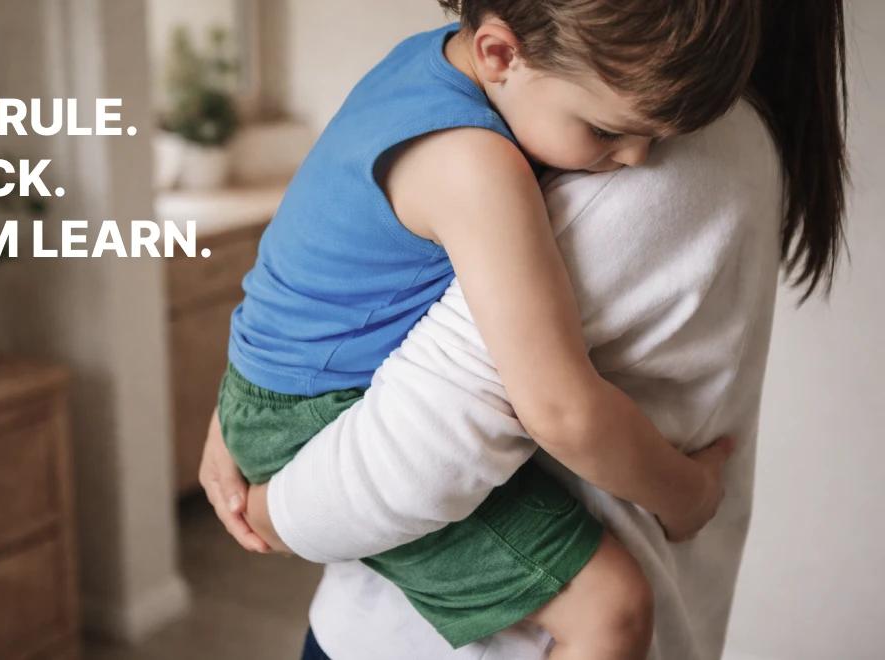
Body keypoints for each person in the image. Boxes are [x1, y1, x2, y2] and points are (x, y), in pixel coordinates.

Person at [200, 1, 848, 658]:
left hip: (268, 383)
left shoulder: (422, 62)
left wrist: (239, 397)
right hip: (307, 417)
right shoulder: (478, 169)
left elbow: (307, 247)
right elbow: (561, 410)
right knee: (612, 608)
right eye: (604, 131)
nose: (636, 157)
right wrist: (688, 493)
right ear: (500, 54)